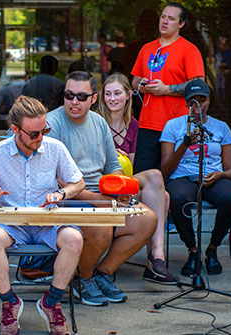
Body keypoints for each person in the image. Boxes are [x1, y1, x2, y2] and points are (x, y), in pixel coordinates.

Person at [0, 96, 84, 334]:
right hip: (11, 222)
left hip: (47, 220)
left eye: (45, 130)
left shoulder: (55, 148)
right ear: (15, 130)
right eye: (34, 134)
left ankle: (51, 302)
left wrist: (61, 194)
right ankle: (10, 302)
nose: (41, 138)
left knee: (74, 238)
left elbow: (78, 182)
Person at [47, 71, 157, 306]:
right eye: (69, 95)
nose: (74, 102)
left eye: (81, 96)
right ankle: (82, 279)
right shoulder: (52, 123)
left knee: (148, 219)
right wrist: (98, 199)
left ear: (93, 98)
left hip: (101, 195)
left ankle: (101, 274)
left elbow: (113, 166)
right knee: (102, 227)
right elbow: (56, 180)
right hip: (68, 199)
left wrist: (118, 191)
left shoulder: (98, 122)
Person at [97, 73, 179, 284]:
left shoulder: (134, 125)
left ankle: (155, 261)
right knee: (159, 187)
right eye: (107, 94)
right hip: (100, 184)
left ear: (128, 95)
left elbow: (130, 169)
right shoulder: (96, 122)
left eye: (117, 93)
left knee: (162, 191)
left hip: (124, 182)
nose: (112, 98)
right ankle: (155, 262)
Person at [159, 79, 231, 276]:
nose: (197, 106)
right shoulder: (173, 126)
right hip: (182, 177)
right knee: (177, 198)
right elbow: (165, 171)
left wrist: (220, 174)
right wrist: (185, 144)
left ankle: (212, 248)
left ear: (209, 101)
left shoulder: (221, 128)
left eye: (201, 100)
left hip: (213, 177)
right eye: (192, 101)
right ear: (186, 103)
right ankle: (192, 249)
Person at [130, 2, 204, 174]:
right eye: (163, 17)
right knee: (142, 174)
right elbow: (134, 80)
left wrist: (166, 89)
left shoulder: (189, 50)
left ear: (181, 24)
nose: (164, 21)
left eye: (171, 19)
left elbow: (198, 85)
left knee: (172, 176)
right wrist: (143, 85)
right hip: (148, 123)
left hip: (176, 124)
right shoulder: (147, 48)